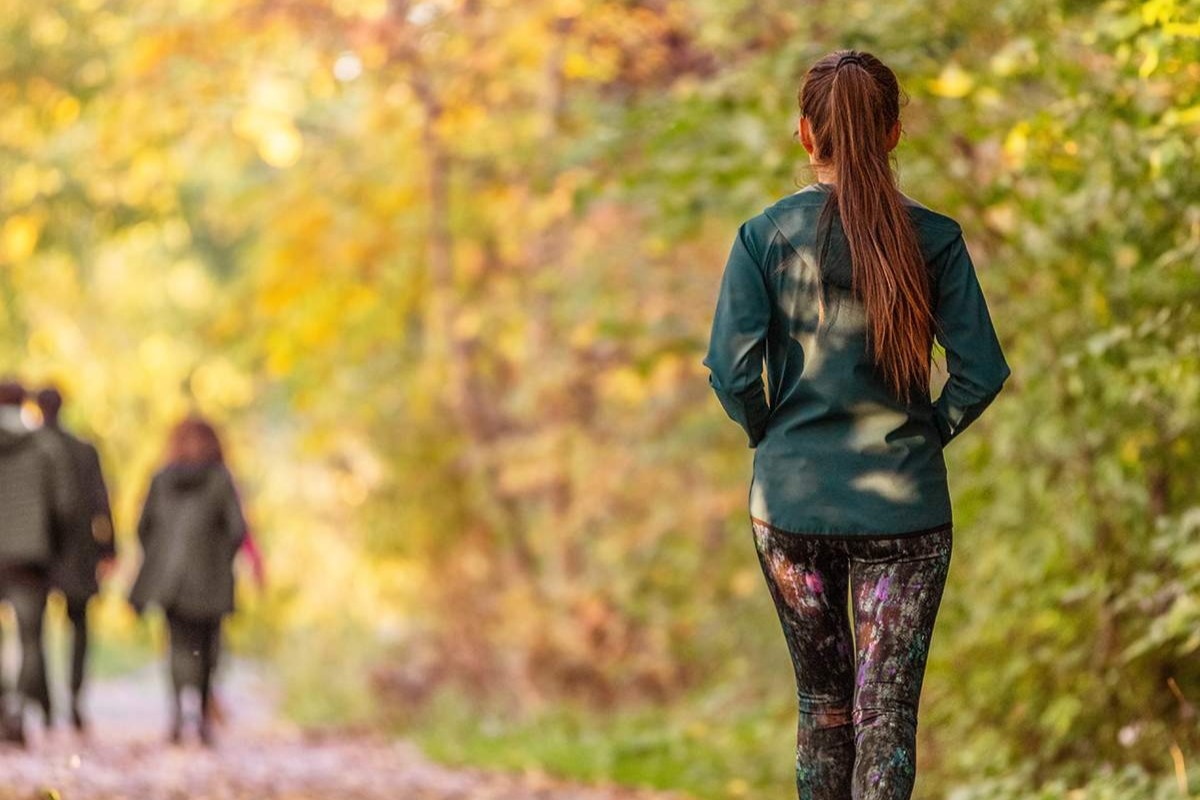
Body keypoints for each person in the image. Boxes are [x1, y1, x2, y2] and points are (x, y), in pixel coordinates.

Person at [703, 50, 1010, 799]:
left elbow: (732, 371)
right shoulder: (933, 238)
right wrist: (925, 436)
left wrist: (772, 438)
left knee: (824, 707)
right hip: (904, 508)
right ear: (894, 133)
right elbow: (980, 371)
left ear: (806, 135)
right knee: (886, 715)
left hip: (791, 505)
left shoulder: (763, 237)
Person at [129, 416, 247, 746]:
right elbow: (237, 529)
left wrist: (161, 557)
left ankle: (179, 714)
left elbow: (143, 528)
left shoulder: (161, 479)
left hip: (170, 579)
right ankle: (204, 719)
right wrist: (221, 556)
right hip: (211, 577)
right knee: (209, 647)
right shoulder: (221, 480)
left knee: (177, 646)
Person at [35, 386, 116, 732]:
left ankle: (46, 705)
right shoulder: (85, 449)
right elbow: (102, 501)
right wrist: (110, 547)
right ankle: (75, 699)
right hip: (79, 550)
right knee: (79, 626)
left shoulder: (30, 447)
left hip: (38, 550)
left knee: (31, 631)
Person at [0, 380, 75, 745]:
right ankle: (16, 706)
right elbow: (64, 506)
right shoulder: (44, 446)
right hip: (29, 555)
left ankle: (1, 705)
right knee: (30, 638)